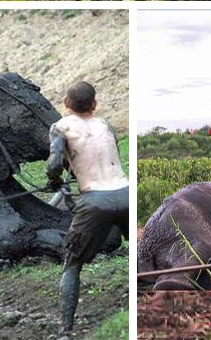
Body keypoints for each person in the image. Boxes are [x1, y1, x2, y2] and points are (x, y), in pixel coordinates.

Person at [47, 81, 129, 334]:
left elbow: (53, 164)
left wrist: (55, 182)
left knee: (71, 264)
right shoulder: (106, 125)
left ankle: (65, 331)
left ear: (65, 104)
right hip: (125, 192)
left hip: (94, 200)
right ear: (95, 104)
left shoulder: (60, 127)